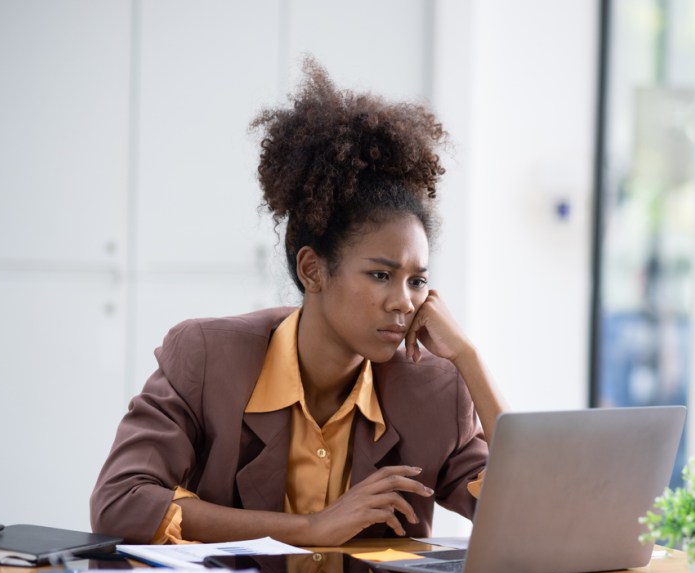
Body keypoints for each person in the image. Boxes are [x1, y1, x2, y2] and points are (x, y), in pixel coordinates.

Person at [90, 59, 506, 546]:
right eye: (380, 275)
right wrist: (310, 529)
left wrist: (470, 362)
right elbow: (120, 503)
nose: (404, 303)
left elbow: (531, 516)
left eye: (417, 281)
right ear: (312, 269)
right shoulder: (205, 359)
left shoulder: (435, 391)